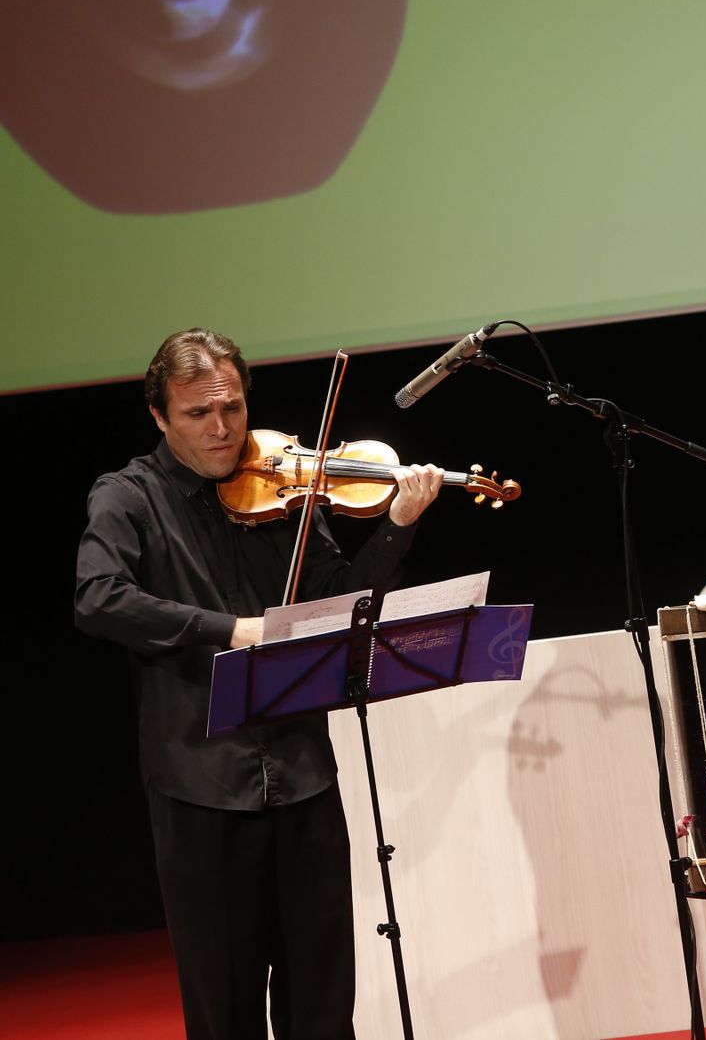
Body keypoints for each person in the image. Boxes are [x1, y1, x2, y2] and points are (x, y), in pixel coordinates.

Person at [75, 330, 444, 1040]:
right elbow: (98, 598)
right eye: (197, 415)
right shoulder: (128, 498)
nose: (222, 430)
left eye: (234, 409)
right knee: (227, 1010)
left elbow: (343, 603)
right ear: (159, 415)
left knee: (323, 1002)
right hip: (202, 788)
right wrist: (230, 630)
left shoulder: (284, 485)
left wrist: (396, 527)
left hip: (303, 776)